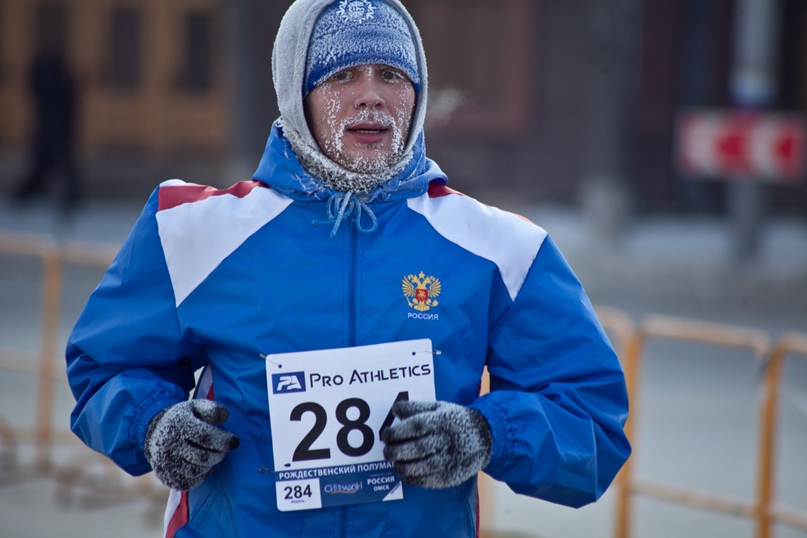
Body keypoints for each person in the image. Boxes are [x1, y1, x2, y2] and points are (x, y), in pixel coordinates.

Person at [66, 1, 630, 536]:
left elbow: (591, 424)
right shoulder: (193, 230)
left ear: (418, 90)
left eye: (390, 74)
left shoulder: (499, 248)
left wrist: (488, 434)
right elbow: (105, 367)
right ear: (297, 93)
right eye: (341, 76)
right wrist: (152, 424)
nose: (371, 98)